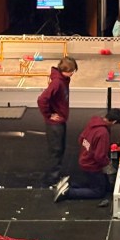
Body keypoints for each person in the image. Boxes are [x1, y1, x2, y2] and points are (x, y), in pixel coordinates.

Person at [54, 108, 120, 205]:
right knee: (98, 191)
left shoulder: (94, 122)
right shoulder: (103, 133)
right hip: (92, 166)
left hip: (84, 159)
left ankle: (69, 184)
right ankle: (68, 192)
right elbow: (100, 156)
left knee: (103, 185)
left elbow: (80, 139)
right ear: (114, 122)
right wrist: (108, 165)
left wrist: (89, 150)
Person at [37, 56, 78, 186]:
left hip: (60, 120)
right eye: (72, 71)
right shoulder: (57, 83)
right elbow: (42, 99)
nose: (73, 73)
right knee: (56, 150)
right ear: (65, 70)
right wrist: (48, 115)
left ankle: (55, 175)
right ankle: (52, 179)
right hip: (55, 124)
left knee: (59, 149)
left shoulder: (64, 80)